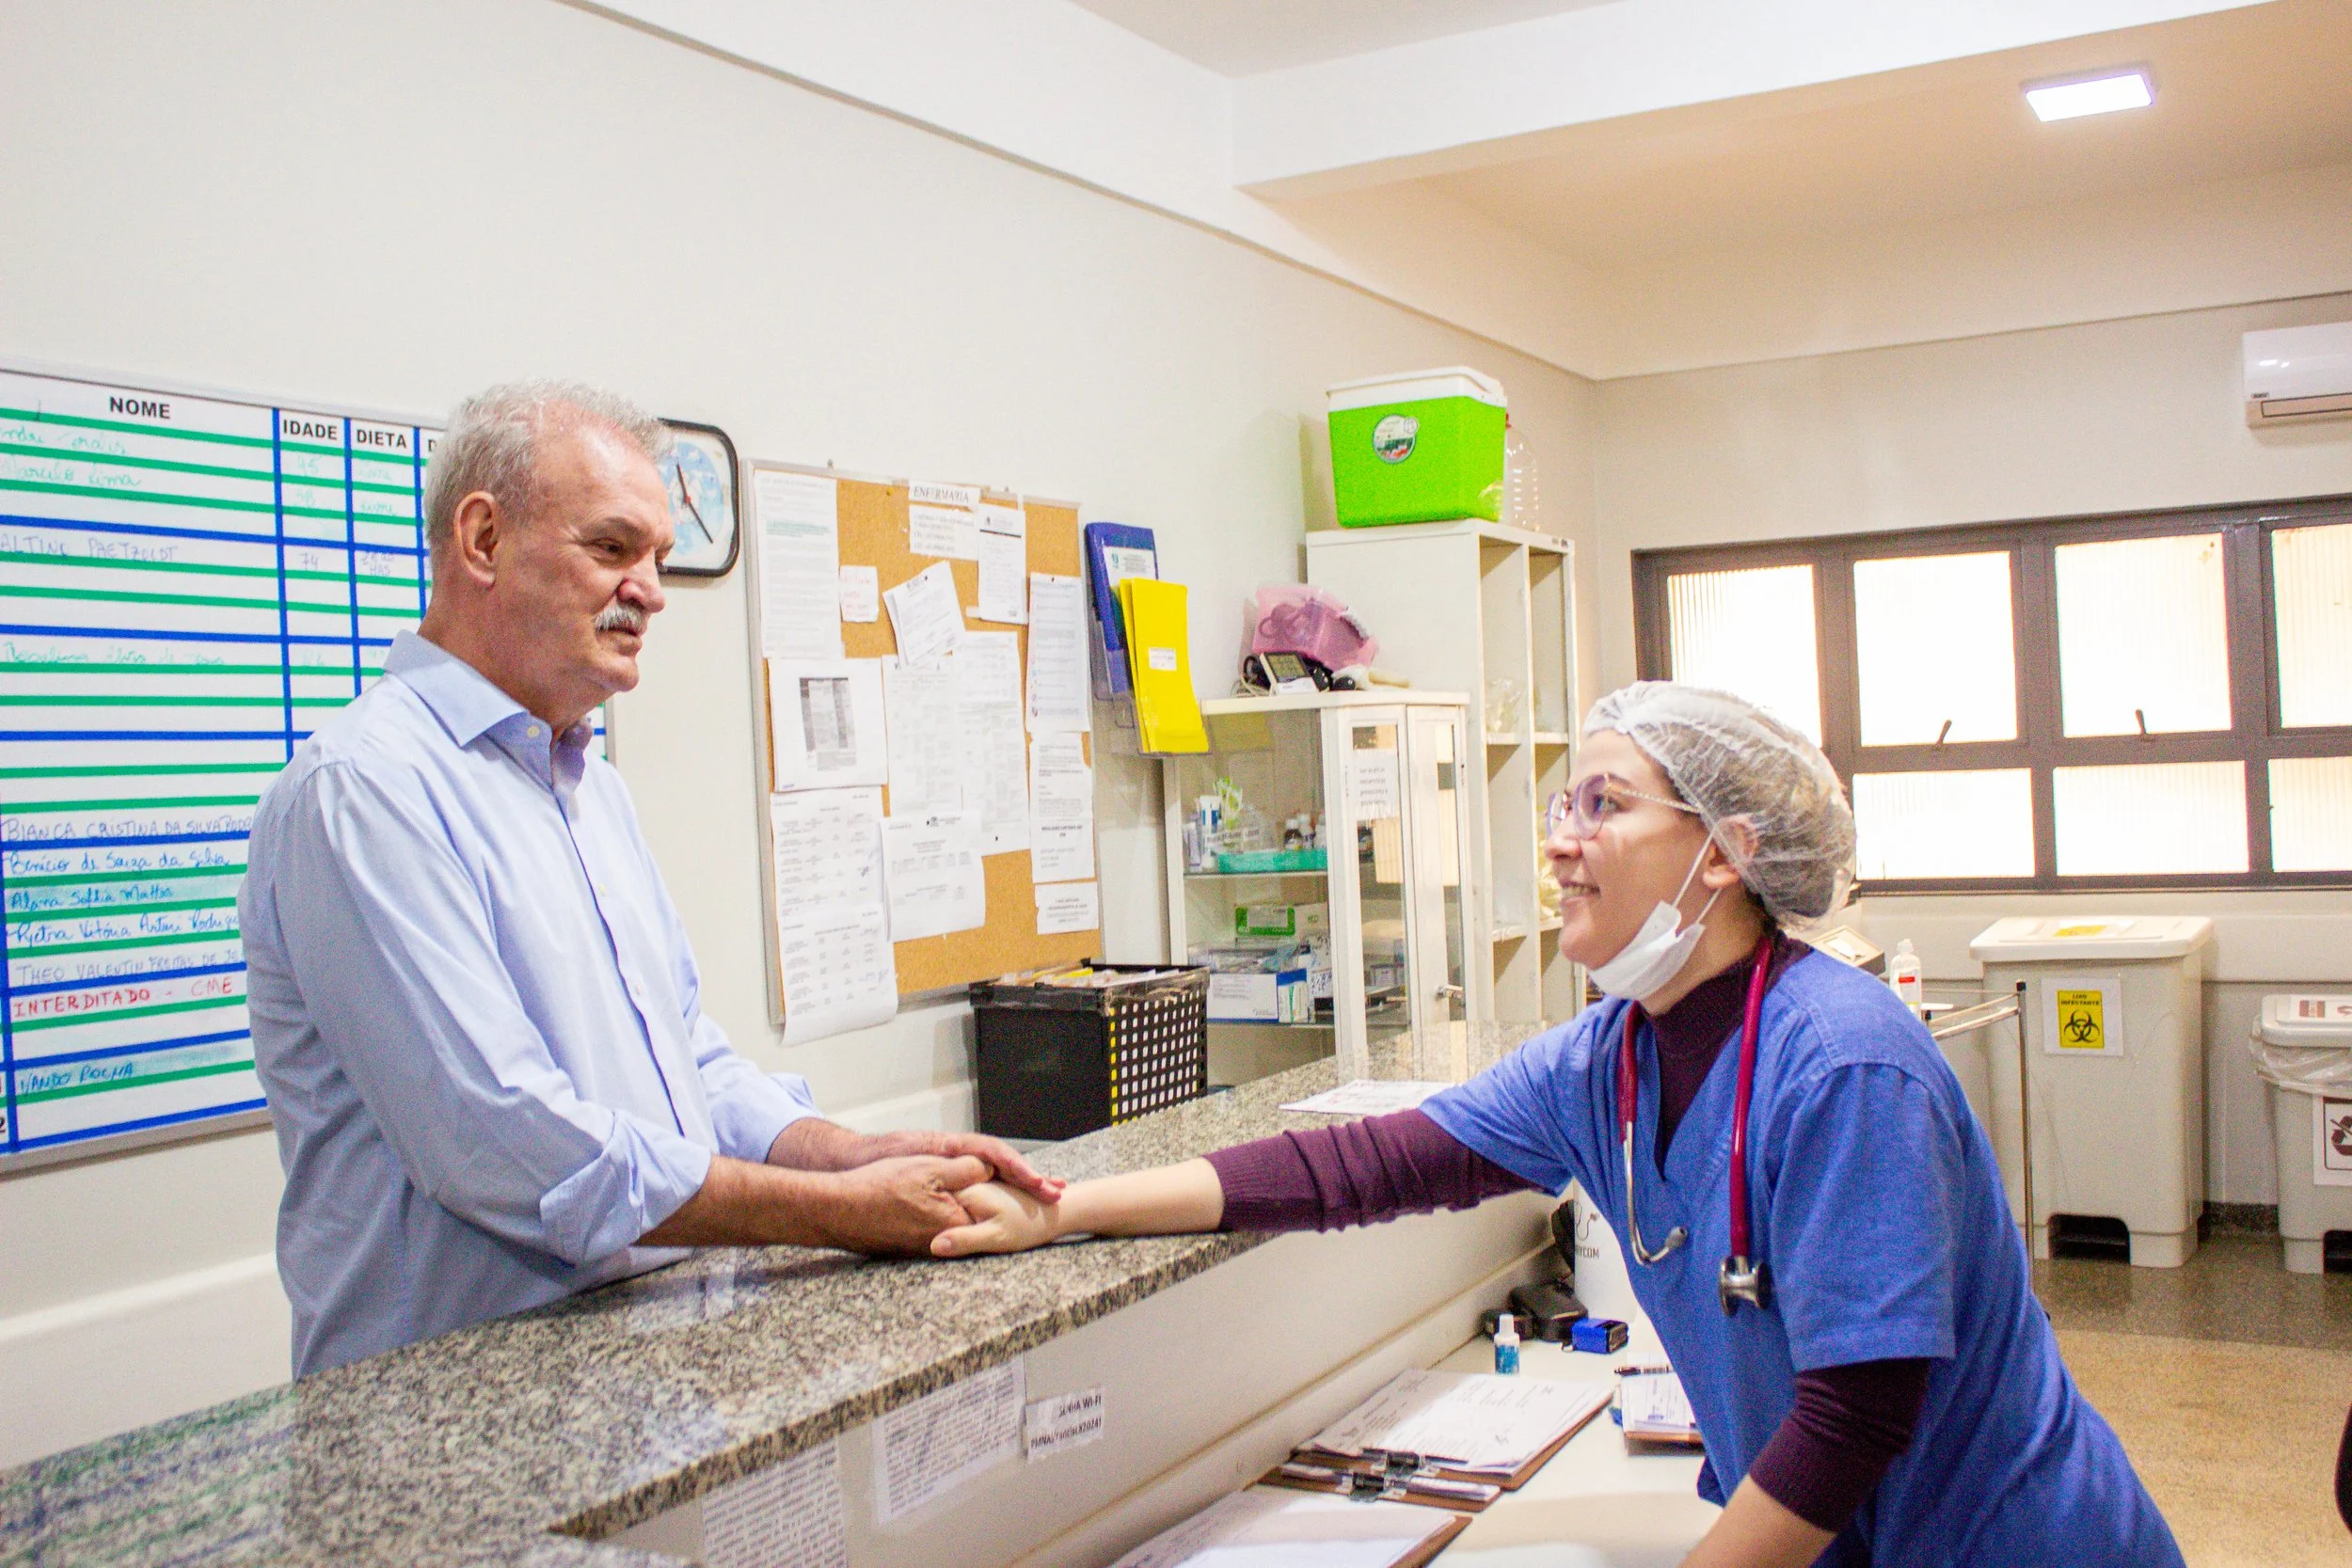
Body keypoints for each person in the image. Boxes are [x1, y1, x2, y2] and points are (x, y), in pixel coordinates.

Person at [930, 682, 2182, 1567]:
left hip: (2012, 1537)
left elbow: (1858, 1410)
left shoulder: (1845, 1059)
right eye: (1561, 802)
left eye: (1606, 802)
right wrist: (1068, 1202)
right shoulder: (1611, 1056)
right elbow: (1364, 1161)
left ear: (1725, 851)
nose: (1561, 837)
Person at [241, 381, 1057, 1378]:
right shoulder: (365, 792)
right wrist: (835, 1212)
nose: (653, 589)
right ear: (484, 540)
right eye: (614, 547)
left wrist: (847, 1153)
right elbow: (501, 1140)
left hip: (628, 1365)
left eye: (660, 558)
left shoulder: (590, 788)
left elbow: (690, 1066)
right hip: (444, 1402)